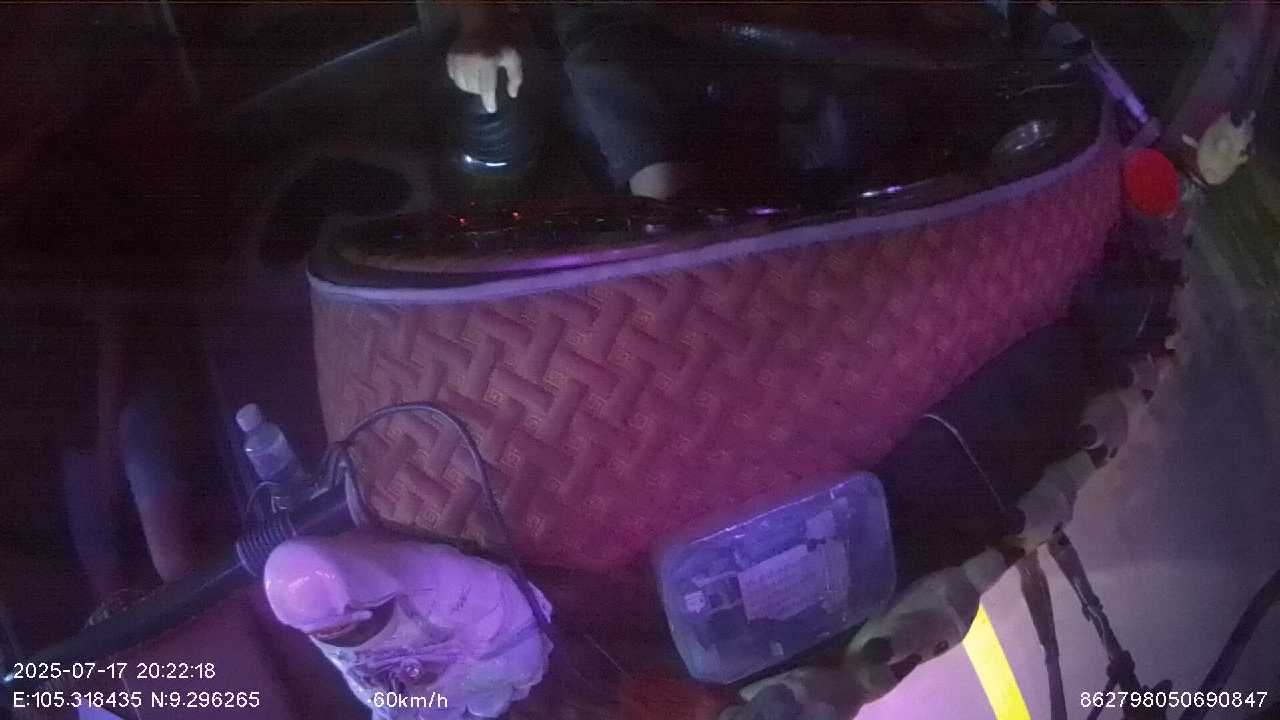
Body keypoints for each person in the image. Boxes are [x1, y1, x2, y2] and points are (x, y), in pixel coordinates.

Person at [445, 3, 705, 200]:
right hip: (550, 35)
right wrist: (478, 28)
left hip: (617, 27)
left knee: (609, 67)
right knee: (488, 106)